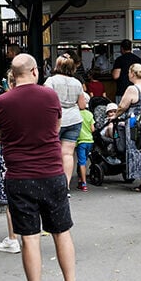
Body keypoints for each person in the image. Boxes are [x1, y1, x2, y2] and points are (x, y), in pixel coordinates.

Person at [0, 54, 89, 281]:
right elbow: (55, 127)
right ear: (34, 71)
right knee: (61, 232)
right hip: (52, 173)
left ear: (13, 75)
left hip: (19, 176)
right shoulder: (50, 97)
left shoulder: (1, 102)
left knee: (30, 238)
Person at [107, 63, 141, 191]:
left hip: (134, 123)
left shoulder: (132, 89)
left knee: (135, 149)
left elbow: (122, 106)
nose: (128, 74)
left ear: (132, 73)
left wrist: (115, 116)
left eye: (128, 72)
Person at [44, 55, 87, 190]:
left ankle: (51, 184)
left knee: (51, 152)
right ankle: (66, 186)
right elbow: (82, 105)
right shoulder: (77, 83)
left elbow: (45, 100)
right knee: (68, 154)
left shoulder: (51, 81)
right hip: (74, 119)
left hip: (55, 120)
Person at [75, 104, 95, 192]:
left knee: (81, 162)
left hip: (80, 141)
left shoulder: (76, 114)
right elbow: (92, 129)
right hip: (90, 141)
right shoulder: (89, 114)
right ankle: (80, 179)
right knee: (84, 160)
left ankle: (83, 183)